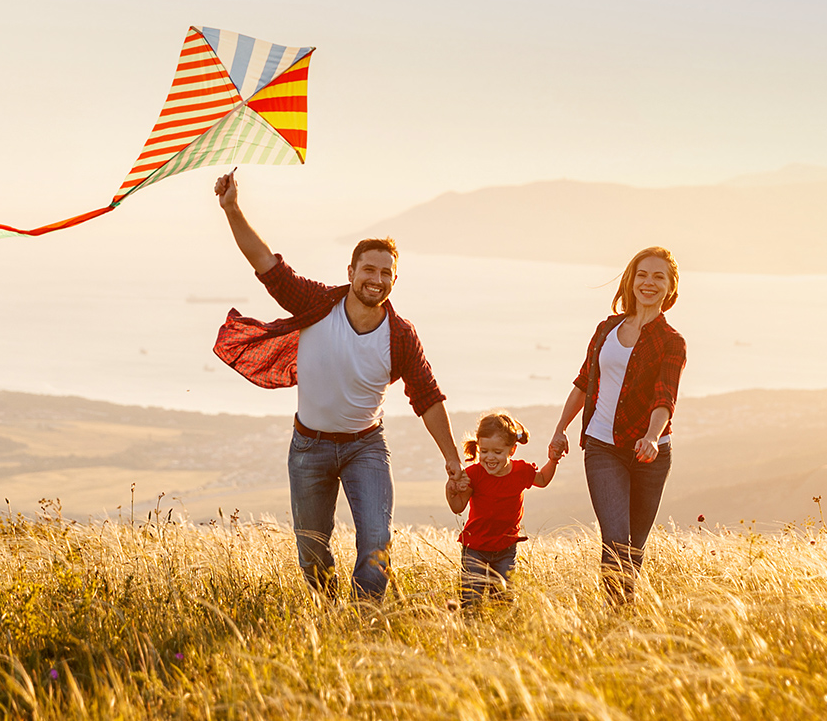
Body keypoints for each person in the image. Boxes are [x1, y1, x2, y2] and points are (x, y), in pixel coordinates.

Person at [212, 171, 463, 601]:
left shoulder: (400, 334)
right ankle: (328, 613)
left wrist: (453, 462)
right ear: (351, 271)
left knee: (376, 543)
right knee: (311, 548)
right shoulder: (316, 303)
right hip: (309, 447)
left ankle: (365, 617)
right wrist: (232, 208)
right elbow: (266, 264)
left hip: (366, 446)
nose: (377, 279)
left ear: (394, 280)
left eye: (387, 273)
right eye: (369, 269)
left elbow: (428, 397)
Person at [548, 247, 686, 605]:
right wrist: (561, 428)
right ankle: (619, 618)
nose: (649, 282)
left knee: (634, 549)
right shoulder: (606, 328)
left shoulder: (672, 342)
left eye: (659, 277)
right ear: (631, 280)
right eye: (642, 274)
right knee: (616, 540)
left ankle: (621, 619)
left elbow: (664, 396)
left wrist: (652, 437)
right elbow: (583, 382)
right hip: (602, 448)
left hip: (650, 455)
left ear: (671, 287)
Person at [445, 411, 559, 607]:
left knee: (503, 601)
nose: (490, 457)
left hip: (506, 549)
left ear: (512, 450)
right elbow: (457, 507)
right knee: (471, 600)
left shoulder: (521, 471)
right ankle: (470, 632)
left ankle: (500, 634)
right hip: (475, 548)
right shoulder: (473, 474)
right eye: (484, 451)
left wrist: (553, 460)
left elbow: (542, 479)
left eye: (497, 452)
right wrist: (451, 488)